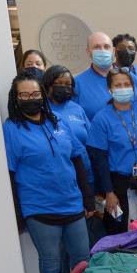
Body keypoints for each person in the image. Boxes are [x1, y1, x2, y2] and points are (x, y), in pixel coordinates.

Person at [3, 73, 94, 273]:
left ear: (42, 94)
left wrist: (88, 198)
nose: (31, 98)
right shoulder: (11, 129)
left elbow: (76, 158)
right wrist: (17, 215)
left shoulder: (57, 121)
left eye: (35, 93)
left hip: (72, 203)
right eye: (24, 95)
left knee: (83, 260)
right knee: (51, 261)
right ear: (15, 99)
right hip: (39, 207)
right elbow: (10, 174)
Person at [87, 68, 137, 234]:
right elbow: (99, 159)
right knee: (125, 230)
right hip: (119, 185)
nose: (123, 88)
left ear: (133, 87)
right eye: (118, 85)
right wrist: (108, 192)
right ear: (110, 89)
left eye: (126, 84)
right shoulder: (102, 118)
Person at [41, 65, 101, 243]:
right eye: (59, 83)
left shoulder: (77, 109)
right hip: (63, 181)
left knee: (93, 231)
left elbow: (90, 142)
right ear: (48, 85)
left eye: (68, 84)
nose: (64, 87)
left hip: (87, 177)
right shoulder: (43, 111)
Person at [73, 32, 115, 120]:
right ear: (88, 51)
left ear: (113, 51)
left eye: (107, 47)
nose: (102, 50)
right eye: (97, 47)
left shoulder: (130, 79)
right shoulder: (77, 84)